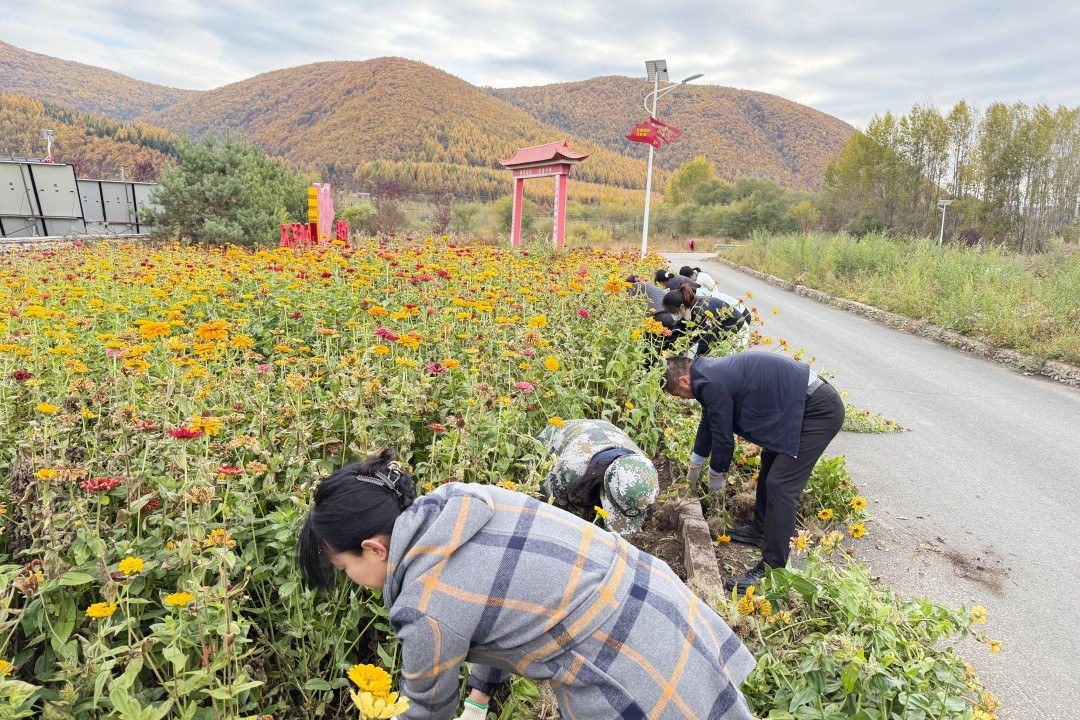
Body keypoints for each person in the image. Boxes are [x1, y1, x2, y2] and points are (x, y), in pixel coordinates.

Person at [298, 449, 756, 720]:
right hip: (657, 598)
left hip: (618, 657)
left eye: (343, 568)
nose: (351, 580)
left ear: (375, 548)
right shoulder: (460, 506)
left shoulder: (424, 605)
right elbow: (501, 597)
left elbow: (424, 710)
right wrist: (480, 695)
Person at [661, 354, 845, 593]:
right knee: (769, 462)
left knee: (781, 484)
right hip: (795, 406)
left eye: (677, 395)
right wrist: (696, 463)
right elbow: (710, 422)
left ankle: (772, 569)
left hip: (817, 411)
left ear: (684, 380)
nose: (683, 400)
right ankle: (760, 529)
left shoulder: (710, 382)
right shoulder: (707, 376)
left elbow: (724, 439)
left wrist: (717, 474)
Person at [538, 418, 659, 538]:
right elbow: (550, 510)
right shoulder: (570, 469)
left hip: (606, 432)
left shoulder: (644, 472)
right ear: (603, 487)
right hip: (556, 435)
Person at [662, 284, 750, 357]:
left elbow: (705, 342)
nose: (671, 315)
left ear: (681, 306)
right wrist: (671, 350)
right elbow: (679, 330)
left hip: (737, 332)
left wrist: (694, 363)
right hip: (718, 331)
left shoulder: (702, 311)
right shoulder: (687, 308)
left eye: (672, 312)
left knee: (719, 358)